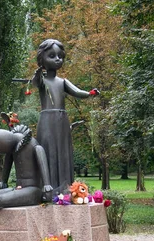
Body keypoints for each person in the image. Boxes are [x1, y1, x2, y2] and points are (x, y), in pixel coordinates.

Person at [32, 39, 99, 195]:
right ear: (42, 59)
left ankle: (66, 187)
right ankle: (47, 187)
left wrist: (90, 93)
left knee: (63, 151)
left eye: (60, 56)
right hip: (47, 121)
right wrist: (37, 75)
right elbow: (36, 83)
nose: (57, 59)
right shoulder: (42, 80)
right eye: (52, 56)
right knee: (48, 149)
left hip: (62, 120)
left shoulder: (62, 82)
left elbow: (77, 92)